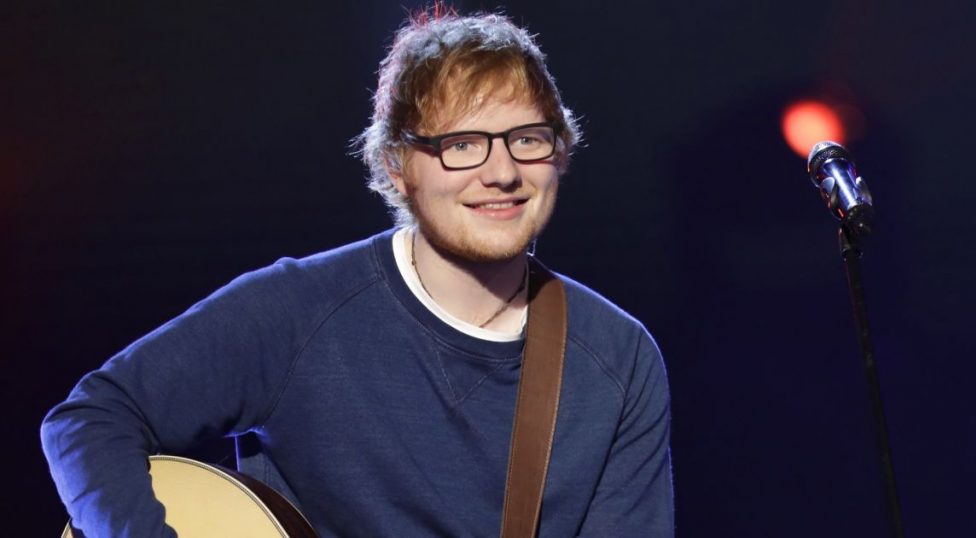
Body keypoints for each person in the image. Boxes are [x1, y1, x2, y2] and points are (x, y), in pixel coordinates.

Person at [42, 7, 674, 537]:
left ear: (558, 153)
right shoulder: (298, 310)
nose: (503, 171)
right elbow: (89, 420)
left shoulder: (617, 360)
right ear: (398, 166)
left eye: (527, 138)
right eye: (461, 145)